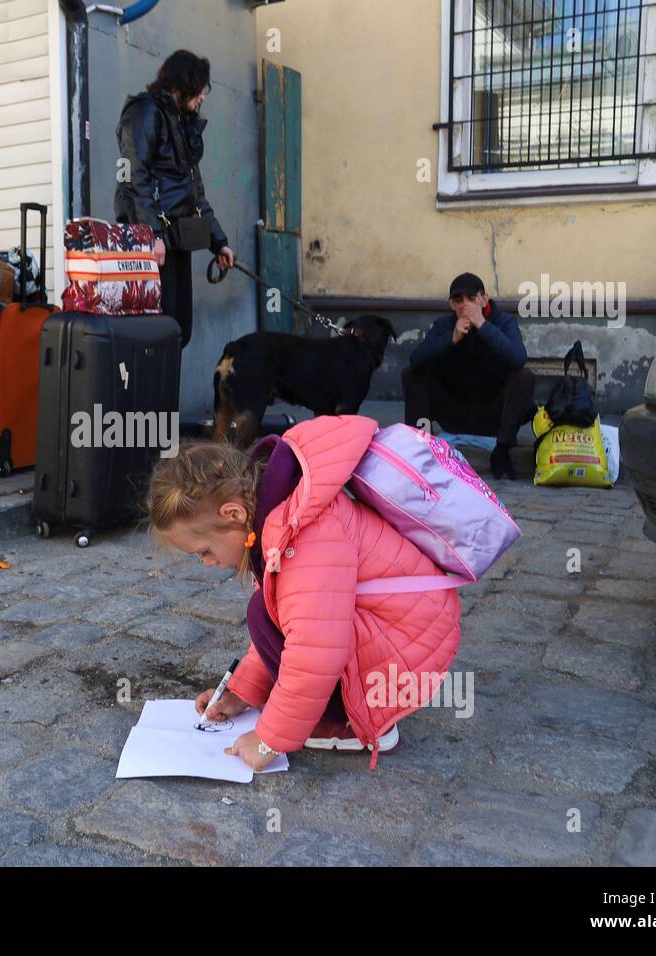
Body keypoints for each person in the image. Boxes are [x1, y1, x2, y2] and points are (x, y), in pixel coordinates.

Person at [146, 418, 462, 771]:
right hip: (395, 633)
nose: (206, 563)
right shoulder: (280, 521)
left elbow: (314, 651)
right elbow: (288, 621)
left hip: (402, 652)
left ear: (233, 514)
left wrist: (269, 739)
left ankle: (349, 726)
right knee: (265, 610)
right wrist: (242, 693)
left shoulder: (303, 535)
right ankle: (335, 710)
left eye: (204, 550)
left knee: (264, 615)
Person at [115, 50, 235, 350]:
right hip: (155, 242)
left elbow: (194, 191)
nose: (203, 98)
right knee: (158, 332)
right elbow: (134, 178)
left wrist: (218, 241)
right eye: (200, 90)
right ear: (183, 85)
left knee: (180, 329)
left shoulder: (182, 122)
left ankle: (165, 395)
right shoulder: (144, 113)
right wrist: (152, 235)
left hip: (178, 238)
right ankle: (151, 397)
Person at [403, 272, 535, 480]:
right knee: (413, 374)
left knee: (524, 377)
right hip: (454, 410)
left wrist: (482, 325)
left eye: (471, 299)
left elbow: (518, 358)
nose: (465, 306)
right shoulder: (444, 325)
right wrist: (452, 338)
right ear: (451, 305)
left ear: (484, 299)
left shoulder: (504, 321)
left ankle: (502, 452)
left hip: (493, 413)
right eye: (458, 300)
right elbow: (416, 361)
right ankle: (420, 446)